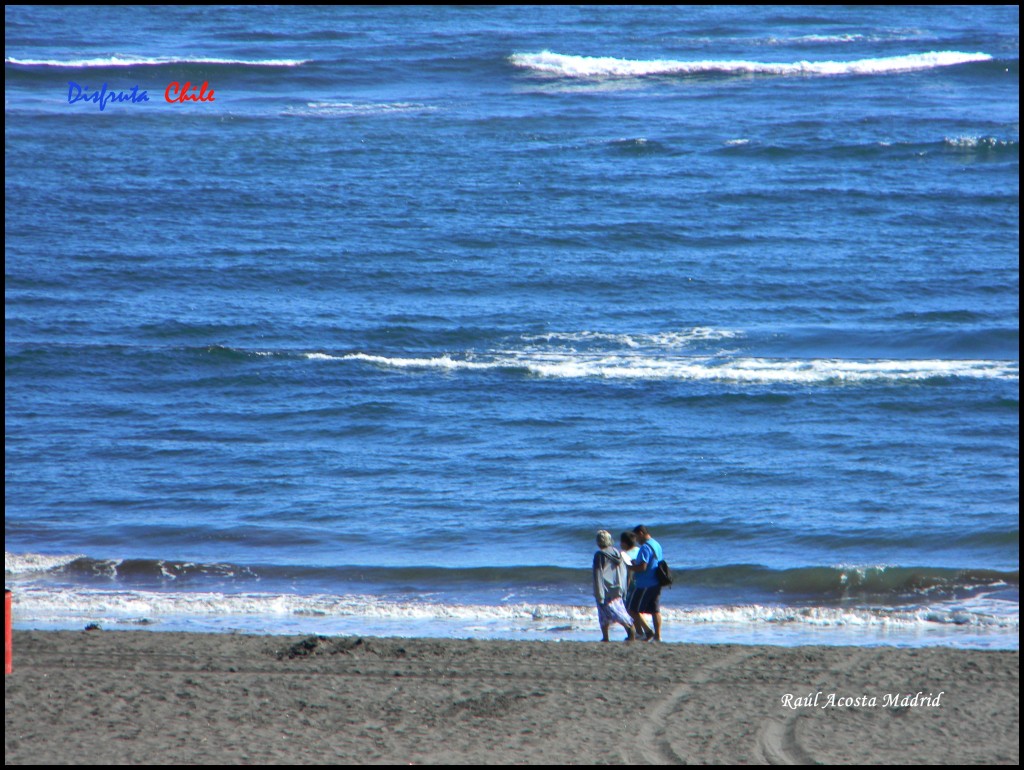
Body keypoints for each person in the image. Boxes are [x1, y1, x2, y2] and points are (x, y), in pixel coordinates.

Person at [592, 530, 636, 642]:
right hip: (618, 588)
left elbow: (598, 574)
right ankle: (627, 630)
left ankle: (610, 635)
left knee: (606, 612)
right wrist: (623, 588)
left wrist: (598, 593)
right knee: (618, 609)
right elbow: (624, 571)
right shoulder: (618, 553)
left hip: (605, 589)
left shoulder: (599, 555)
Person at [626, 524, 664, 642]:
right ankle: (658, 636)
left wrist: (630, 567)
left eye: (637, 537)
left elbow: (643, 567)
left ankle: (643, 633)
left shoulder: (645, 547)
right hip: (656, 582)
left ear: (641, 533)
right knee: (655, 610)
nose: (637, 541)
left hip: (645, 584)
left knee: (631, 609)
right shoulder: (656, 544)